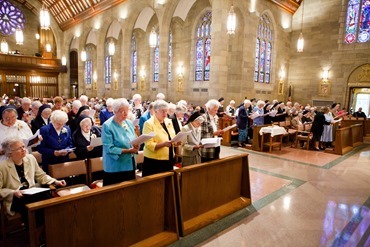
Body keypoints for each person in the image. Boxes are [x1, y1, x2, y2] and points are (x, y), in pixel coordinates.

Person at [0, 137, 66, 225]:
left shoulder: (30, 158)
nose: (23, 150)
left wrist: (54, 181)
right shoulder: (2, 167)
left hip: (32, 192)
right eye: (19, 148)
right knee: (31, 205)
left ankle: (50, 227)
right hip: (16, 198)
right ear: (9, 153)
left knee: (48, 199)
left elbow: (40, 175)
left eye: (23, 146)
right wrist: (13, 192)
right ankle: (36, 232)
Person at [101, 98, 139, 186]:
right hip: (115, 167)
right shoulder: (107, 126)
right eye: (122, 112)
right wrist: (128, 151)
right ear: (115, 111)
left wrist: (137, 145)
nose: (125, 114)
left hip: (129, 164)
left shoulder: (129, 123)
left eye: (127, 111)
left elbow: (134, 139)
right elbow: (109, 148)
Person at [142, 100, 177, 177]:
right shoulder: (149, 124)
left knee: (168, 184)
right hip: (154, 162)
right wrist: (163, 144)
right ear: (155, 111)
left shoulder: (169, 121)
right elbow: (149, 145)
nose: (165, 113)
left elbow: (171, 137)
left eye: (166, 111)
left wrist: (176, 142)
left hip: (169, 158)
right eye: (162, 111)